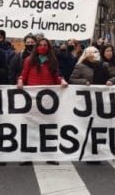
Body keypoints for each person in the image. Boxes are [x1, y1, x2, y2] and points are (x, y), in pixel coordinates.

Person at [16, 37, 67, 166]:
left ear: (49, 48)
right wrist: (20, 80)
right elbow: (24, 74)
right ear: (36, 47)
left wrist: (62, 81)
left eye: (45, 45)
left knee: (48, 128)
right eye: (40, 45)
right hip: (32, 99)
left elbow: (56, 77)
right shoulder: (29, 60)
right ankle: (27, 156)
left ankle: (50, 155)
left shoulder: (52, 61)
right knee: (30, 127)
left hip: (48, 101)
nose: (43, 47)